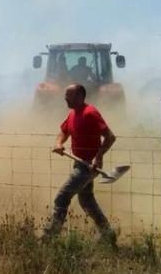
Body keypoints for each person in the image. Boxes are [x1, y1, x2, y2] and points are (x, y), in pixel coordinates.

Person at [44, 83, 117, 242]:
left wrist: (99, 157)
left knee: (62, 197)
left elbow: (110, 137)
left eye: (69, 95)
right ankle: (108, 233)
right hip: (79, 164)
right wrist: (58, 143)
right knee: (86, 200)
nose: (65, 98)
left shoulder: (90, 113)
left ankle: (49, 237)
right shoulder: (72, 114)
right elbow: (63, 131)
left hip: (89, 165)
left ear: (80, 96)